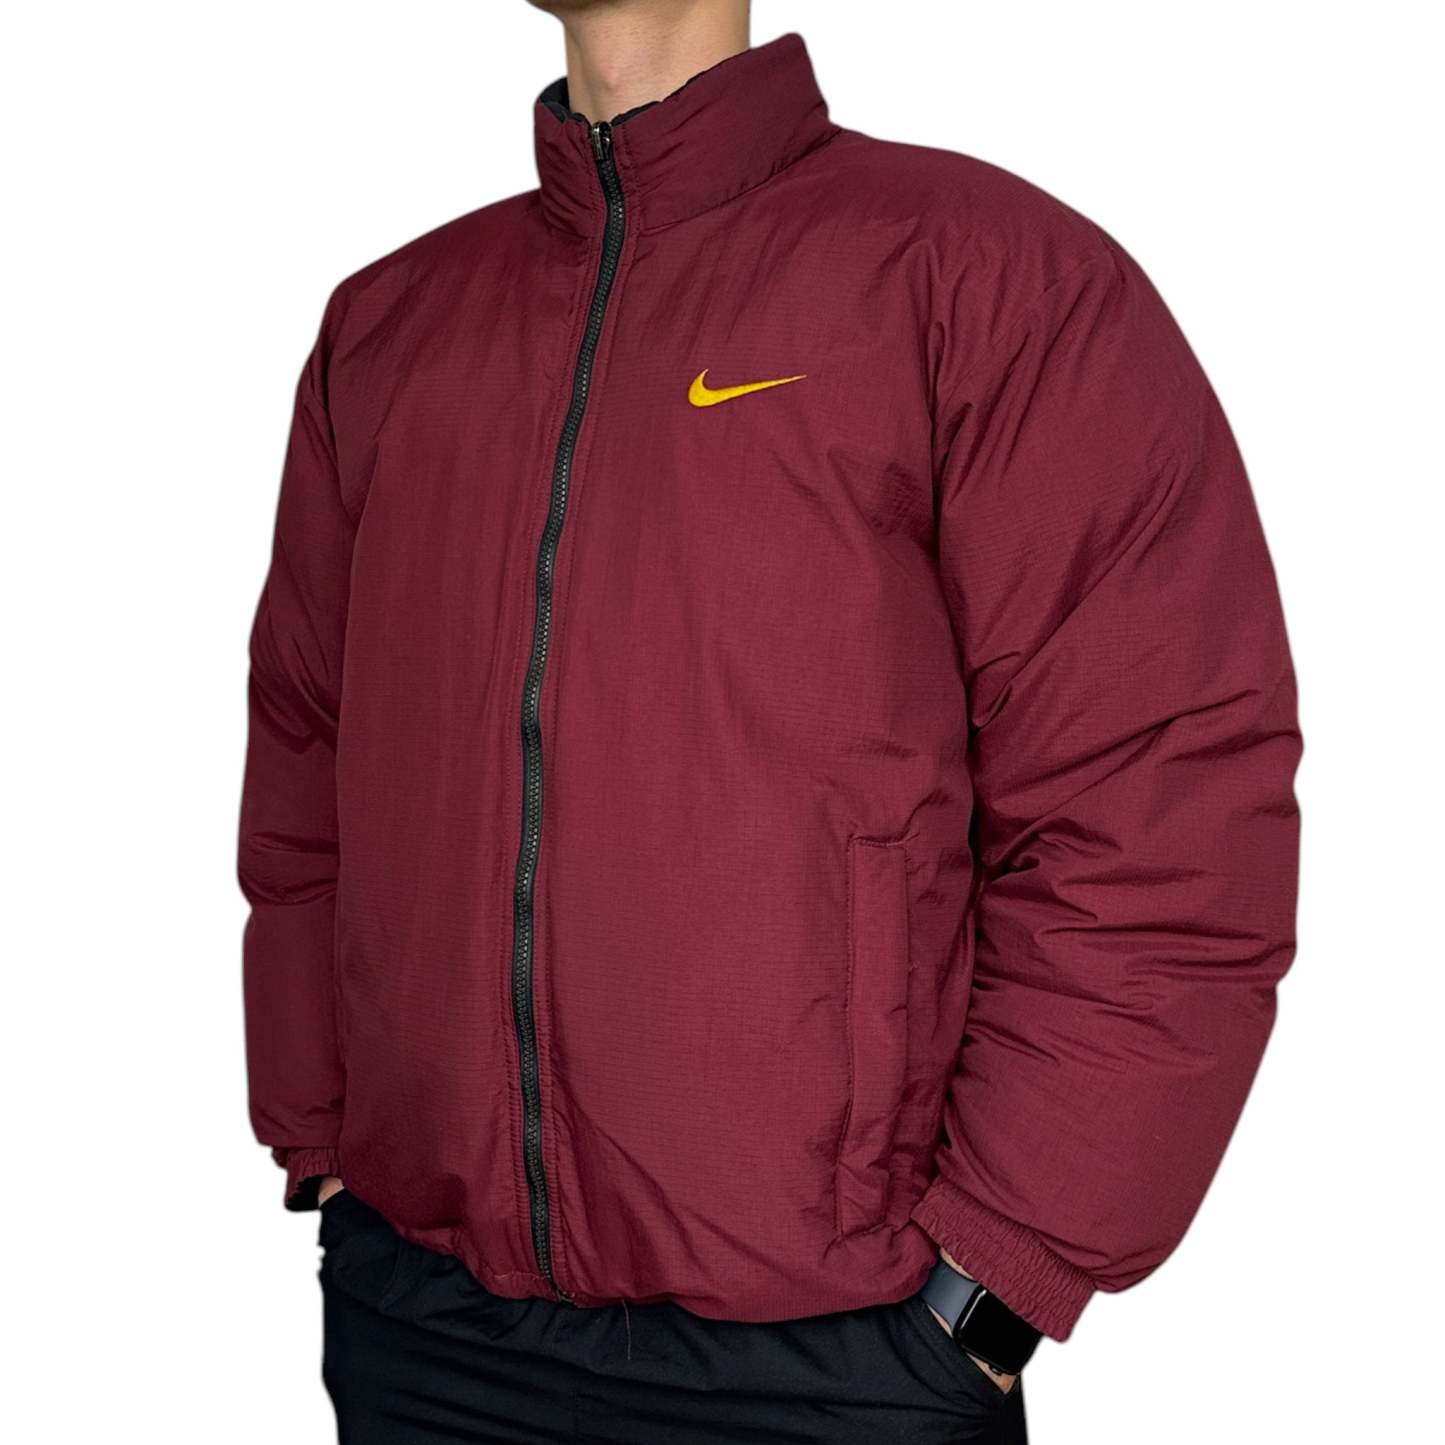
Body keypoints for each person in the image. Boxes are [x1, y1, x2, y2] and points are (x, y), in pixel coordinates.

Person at [239, 1, 1301, 1439]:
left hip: (833, 1358)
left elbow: (1161, 797)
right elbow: (307, 759)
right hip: (426, 1326)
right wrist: (320, 1141)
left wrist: (999, 1279)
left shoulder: (982, 275)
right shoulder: (392, 323)